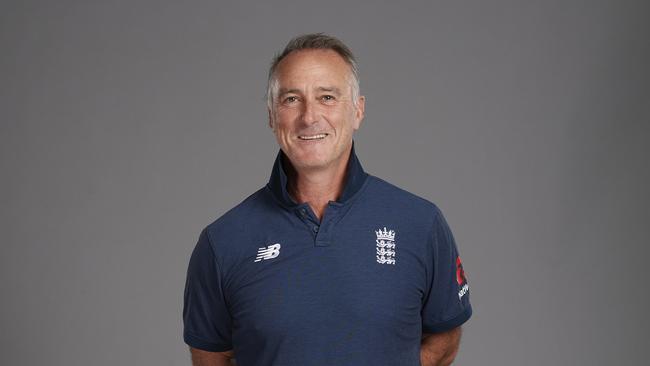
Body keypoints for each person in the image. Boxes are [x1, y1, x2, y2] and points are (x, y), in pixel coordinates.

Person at [183, 33, 472, 366]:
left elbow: (445, 337)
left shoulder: (420, 224)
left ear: (358, 110)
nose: (309, 117)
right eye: (292, 99)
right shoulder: (223, 242)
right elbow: (210, 356)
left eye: (327, 97)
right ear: (272, 115)